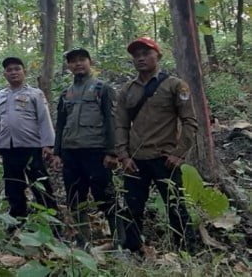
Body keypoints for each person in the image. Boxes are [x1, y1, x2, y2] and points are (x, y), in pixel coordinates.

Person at [116, 37, 198, 253]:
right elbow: (120, 125)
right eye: (136, 55)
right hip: (135, 160)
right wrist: (123, 156)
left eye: (146, 53)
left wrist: (179, 153)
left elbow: (190, 121)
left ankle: (186, 251)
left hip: (165, 159)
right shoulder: (127, 90)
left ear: (158, 56)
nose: (141, 58)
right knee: (132, 207)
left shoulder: (175, 85)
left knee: (176, 207)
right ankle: (133, 250)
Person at [52, 48, 124, 246]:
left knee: (106, 197)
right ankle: (83, 243)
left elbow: (112, 121)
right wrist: (57, 153)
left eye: (82, 59)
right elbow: (60, 124)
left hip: (96, 152)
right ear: (68, 66)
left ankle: (120, 241)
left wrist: (112, 152)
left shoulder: (103, 89)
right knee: (75, 198)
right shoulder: (66, 93)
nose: (78, 64)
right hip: (71, 154)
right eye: (73, 61)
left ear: (89, 62)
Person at [0, 57, 58, 222]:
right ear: (5, 74)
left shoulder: (35, 94)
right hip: (8, 148)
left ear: (24, 71)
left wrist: (48, 144)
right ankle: (17, 220)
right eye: (9, 70)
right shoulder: (1, 95)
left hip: (31, 147)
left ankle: (53, 222)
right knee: (13, 186)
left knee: (40, 184)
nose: (13, 72)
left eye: (17, 69)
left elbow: (44, 119)